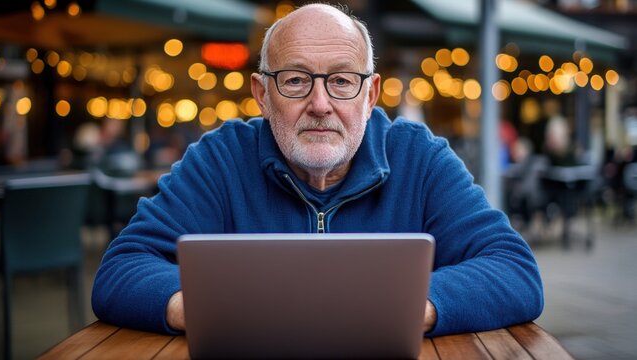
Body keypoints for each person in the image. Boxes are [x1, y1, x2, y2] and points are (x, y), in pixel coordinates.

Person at [92, 3, 543, 337]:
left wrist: (404, 308)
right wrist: (215, 309)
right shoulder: (219, 159)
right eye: (295, 80)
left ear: (370, 96)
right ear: (262, 94)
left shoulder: (419, 156)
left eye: (342, 81)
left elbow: (515, 271)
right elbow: (120, 271)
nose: (321, 105)